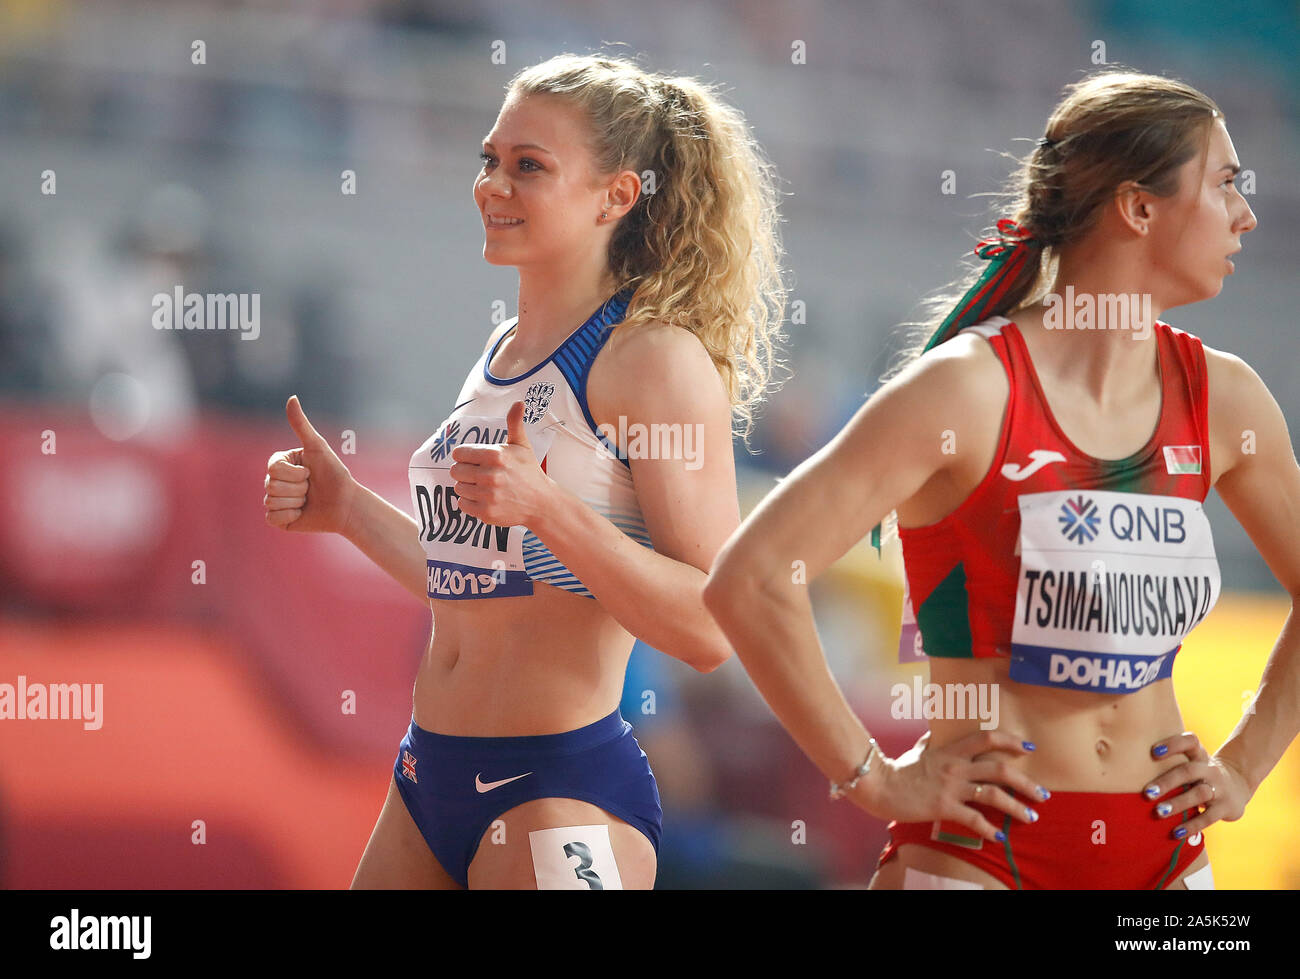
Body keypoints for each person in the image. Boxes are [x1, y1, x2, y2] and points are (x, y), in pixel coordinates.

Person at [704, 70, 1300, 889]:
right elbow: (750, 577)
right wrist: (870, 776)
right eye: (1226, 184)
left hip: (1165, 850)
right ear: (1138, 207)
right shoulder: (967, 388)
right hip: (984, 849)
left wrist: (1245, 764)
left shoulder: (1226, 399)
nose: (1246, 215)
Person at [263, 53, 785, 889]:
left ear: (616, 195)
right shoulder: (500, 356)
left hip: (554, 787)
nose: (493, 184)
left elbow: (713, 627)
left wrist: (546, 508)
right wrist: (350, 510)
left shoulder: (653, 359)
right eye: (490, 160)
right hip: (425, 779)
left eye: (529, 167)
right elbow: (479, 585)